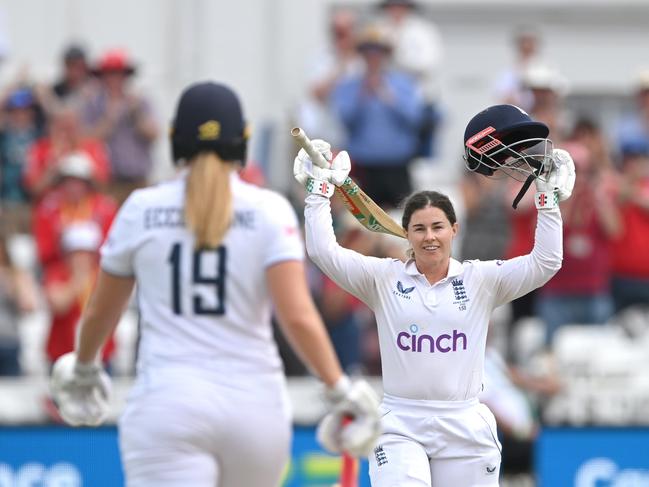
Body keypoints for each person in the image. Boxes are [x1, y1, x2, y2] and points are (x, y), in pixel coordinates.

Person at [49, 81, 381, 487]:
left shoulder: (141, 209)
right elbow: (297, 316)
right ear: (241, 141)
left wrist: (84, 367)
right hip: (254, 406)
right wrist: (339, 389)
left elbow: (102, 309)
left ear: (175, 141)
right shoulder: (267, 210)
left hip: (168, 403)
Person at [293, 103, 575, 486]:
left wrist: (547, 198)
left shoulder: (480, 280)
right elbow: (324, 252)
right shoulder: (383, 279)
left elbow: (546, 261)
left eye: (438, 227)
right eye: (419, 228)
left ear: (454, 231)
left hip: (464, 424)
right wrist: (319, 192)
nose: (429, 236)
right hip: (399, 423)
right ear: (406, 235)